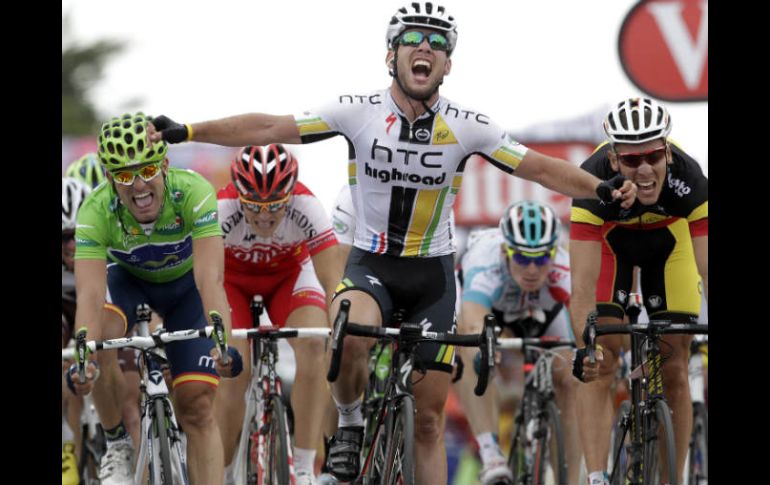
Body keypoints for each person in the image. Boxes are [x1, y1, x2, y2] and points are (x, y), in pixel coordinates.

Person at [148, 4, 636, 482]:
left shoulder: (469, 125)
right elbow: (269, 127)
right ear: (390, 55)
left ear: (448, 63)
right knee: (350, 330)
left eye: (438, 42)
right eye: (413, 38)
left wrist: (601, 189)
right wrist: (190, 130)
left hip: (433, 276)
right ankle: (352, 422)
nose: (425, 47)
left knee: (428, 420)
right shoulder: (357, 111)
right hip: (372, 264)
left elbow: (539, 167)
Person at [67, 112, 242, 485]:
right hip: (128, 282)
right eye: (125, 176)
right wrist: (84, 359)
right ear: (111, 178)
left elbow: (210, 279)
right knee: (102, 335)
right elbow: (90, 294)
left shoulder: (194, 192)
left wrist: (222, 341)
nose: (138, 186)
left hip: (186, 291)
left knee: (196, 407)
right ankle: (117, 443)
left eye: (147, 170)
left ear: (164, 164)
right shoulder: (95, 211)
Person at [569, 98, 708, 485]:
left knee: (675, 364)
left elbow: (707, 269)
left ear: (666, 150)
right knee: (601, 358)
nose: (645, 169)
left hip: (669, 247)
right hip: (612, 248)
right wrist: (585, 346)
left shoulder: (691, 180)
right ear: (613, 161)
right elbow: (580, 286)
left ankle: (671, 478)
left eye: (653, 156)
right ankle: (596, 476)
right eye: (632, 160)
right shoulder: (590, 180)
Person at [216, 144, 340, 485]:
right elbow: (206, 278)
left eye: (276, 205)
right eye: (255, 206)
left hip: (288, 277)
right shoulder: (221, 209)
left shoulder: (308, 206)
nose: (265, 216)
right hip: (232, 283)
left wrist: (341, 325)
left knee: (316, 346)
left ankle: (303, 467)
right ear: (239, 195)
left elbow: (332, 279)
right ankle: (225, 473)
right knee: (232, 371)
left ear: (291, 194)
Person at [454, 201, 582, 485]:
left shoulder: (562, 268)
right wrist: (486, 347)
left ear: (553, 253)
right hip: (489, 310)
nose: (533, 268)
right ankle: (490, 454)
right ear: (505, 250)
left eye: (542, 258)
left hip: (542, 312)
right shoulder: (485, 261)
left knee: (571, 378)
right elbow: (474, 322)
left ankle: (570, 478)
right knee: (473, 353)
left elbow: (583, 326)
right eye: (523, 258)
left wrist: (587, 354)